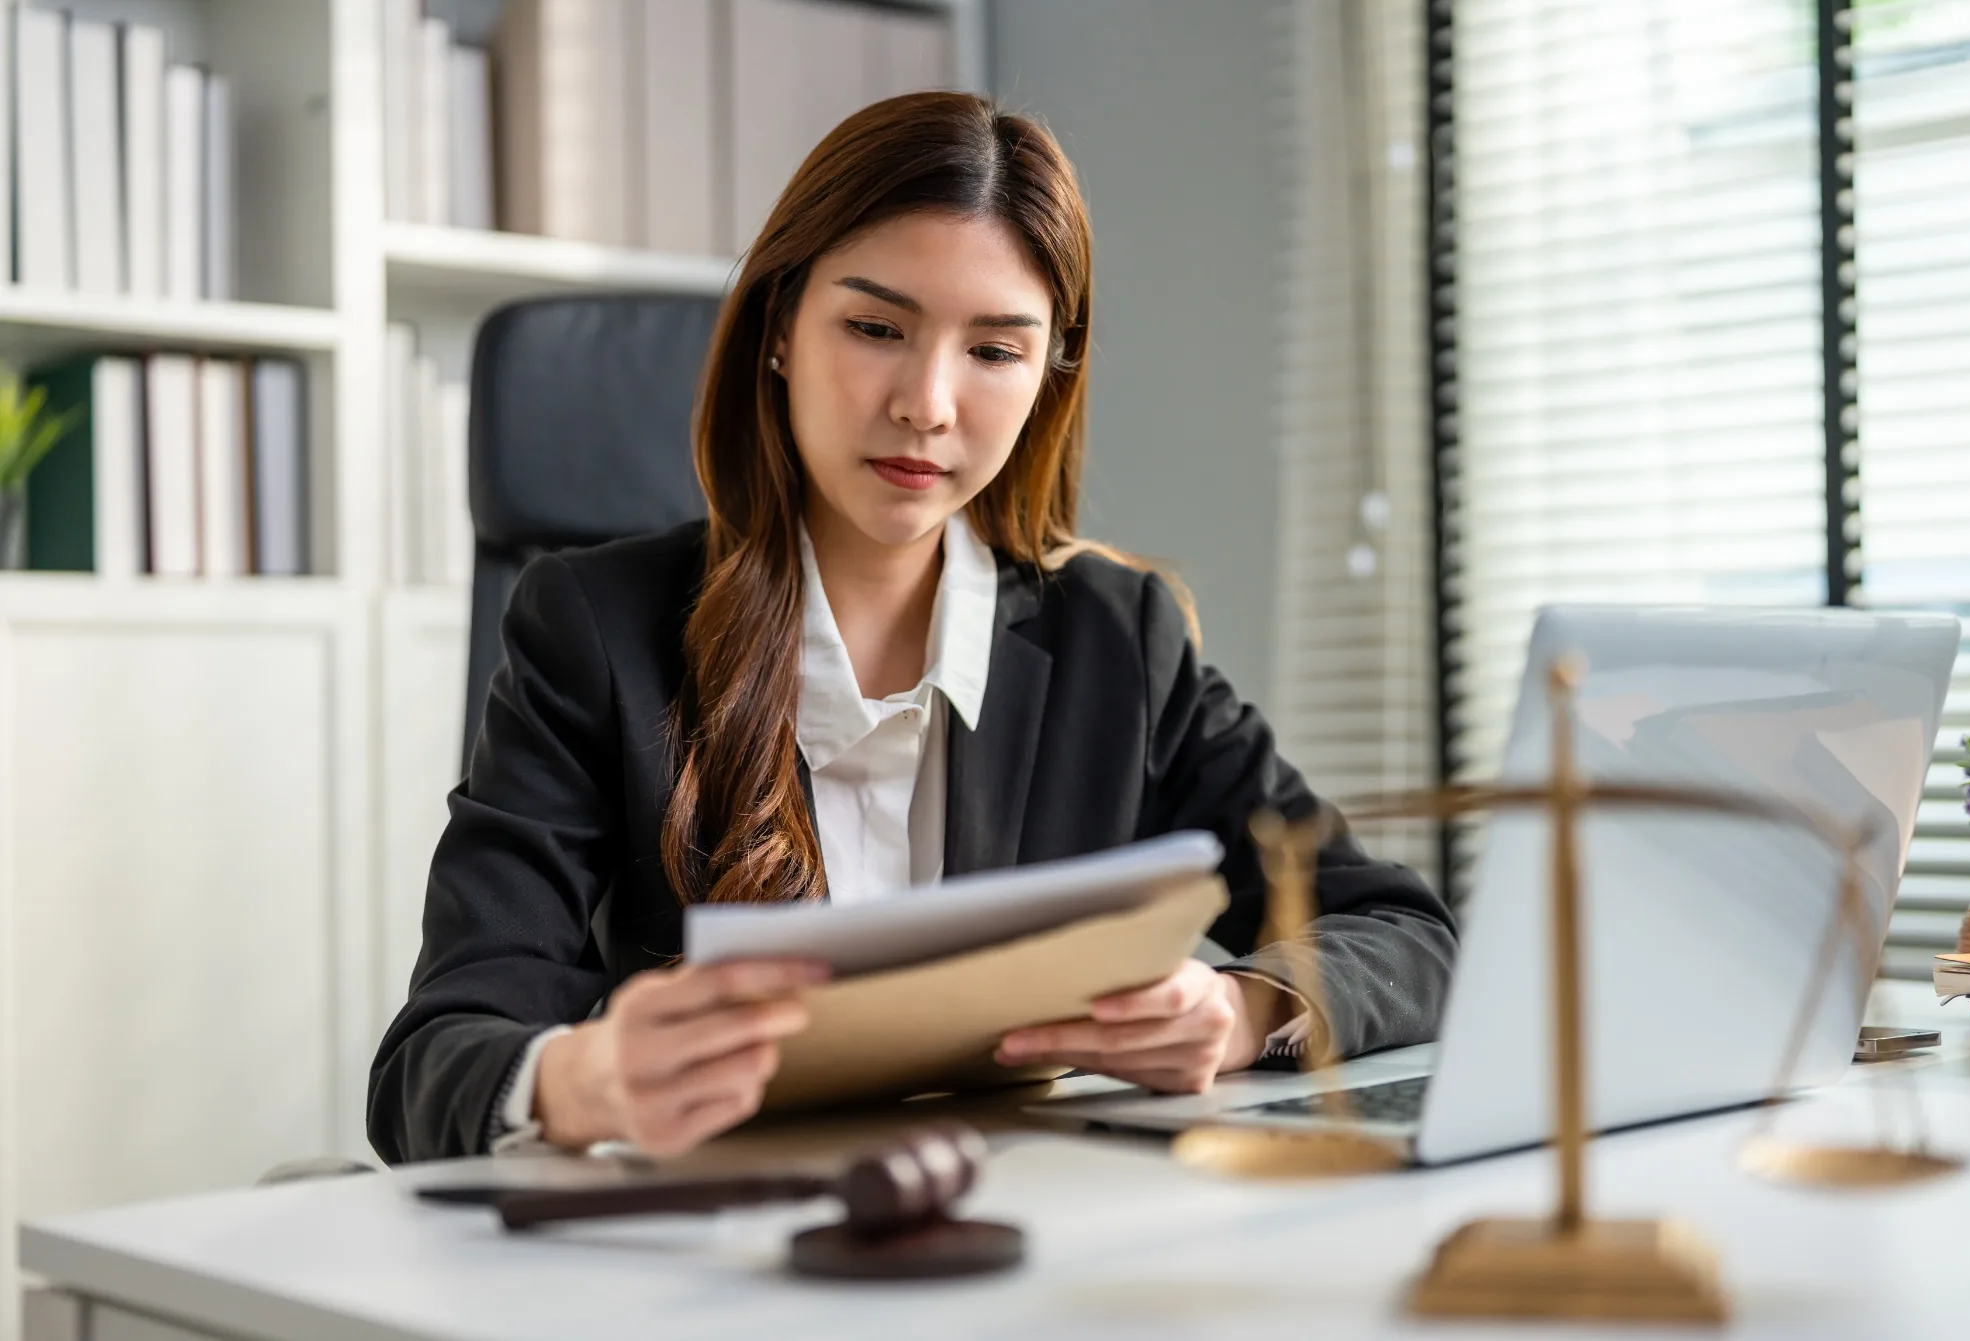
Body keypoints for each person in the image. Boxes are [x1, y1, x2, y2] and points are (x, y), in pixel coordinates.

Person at [367, 92, 1456, 1165]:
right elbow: (433, 1063)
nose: (927, 404)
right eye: (876, 328)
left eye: (993, 351)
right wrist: (581, 1079)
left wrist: (1237, 1008)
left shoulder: (1114, 639)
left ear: (1047, 376)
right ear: (780, 330)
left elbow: (1409, 937)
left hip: (1026, 1232)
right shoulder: (594, 631)